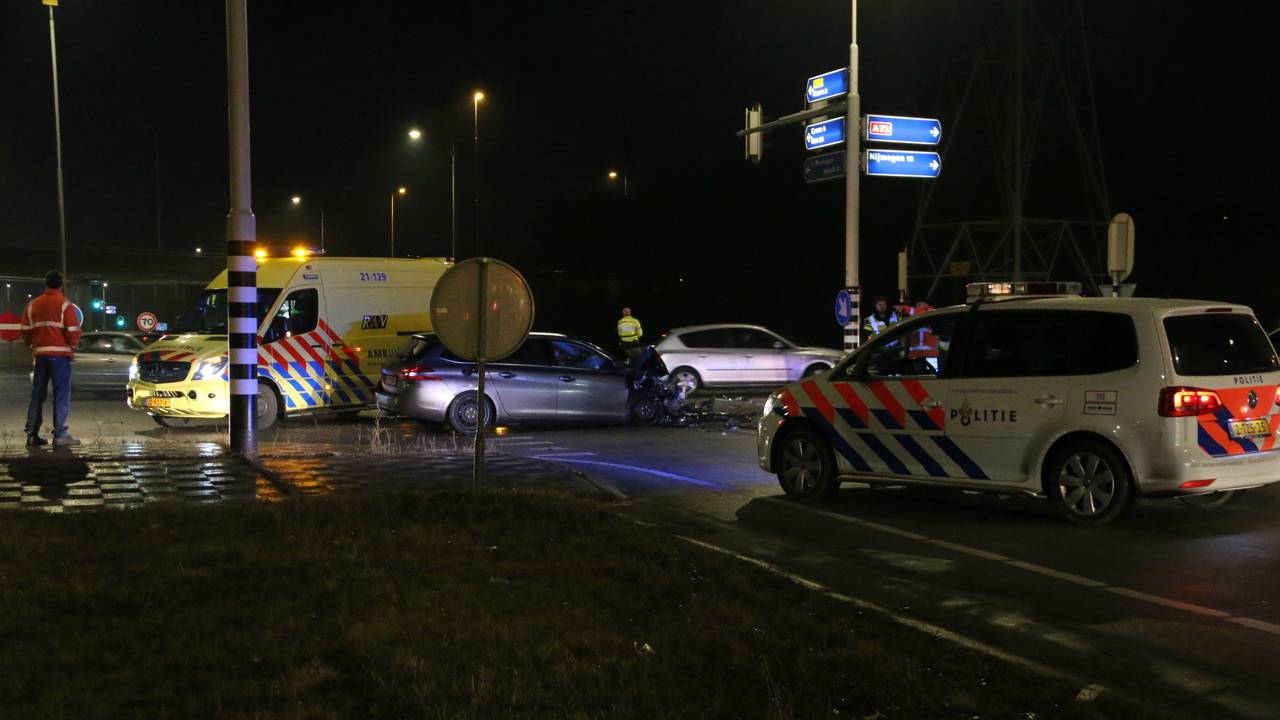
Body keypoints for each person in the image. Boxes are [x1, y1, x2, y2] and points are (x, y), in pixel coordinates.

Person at [21, 271, 82, 447]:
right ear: (61, 284)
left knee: (37, 395)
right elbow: (73, 331)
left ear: (46, 284)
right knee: (61, 395)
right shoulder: (64, 305)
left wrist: (33, 346)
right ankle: (60, 435)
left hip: (40, 356)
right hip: (60, 357)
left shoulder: (33, 305)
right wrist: (72, 347)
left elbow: (24, 330)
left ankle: (32, 435)